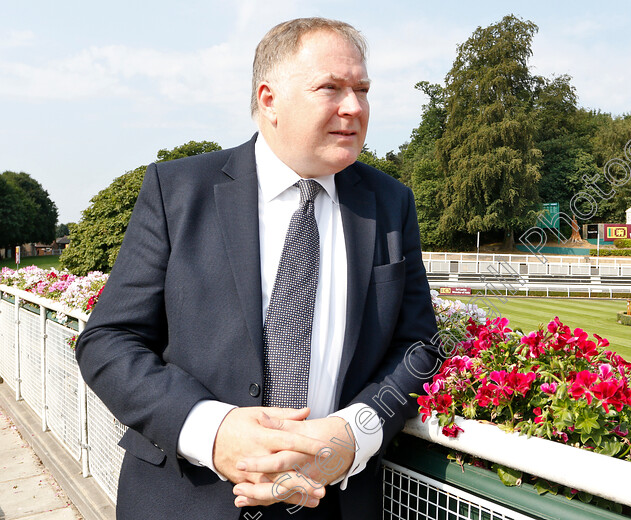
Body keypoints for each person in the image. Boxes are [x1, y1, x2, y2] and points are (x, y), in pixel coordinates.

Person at [75, 17, 441, 520]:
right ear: (269, 99)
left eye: (362, 89)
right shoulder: (177, 190)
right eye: (330, 88)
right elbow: (108, 340)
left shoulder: (390, 202)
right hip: (188, 499)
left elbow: (418, 343)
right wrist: (213, 431)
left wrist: (357, 432)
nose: (354, 107)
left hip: (333, 503)